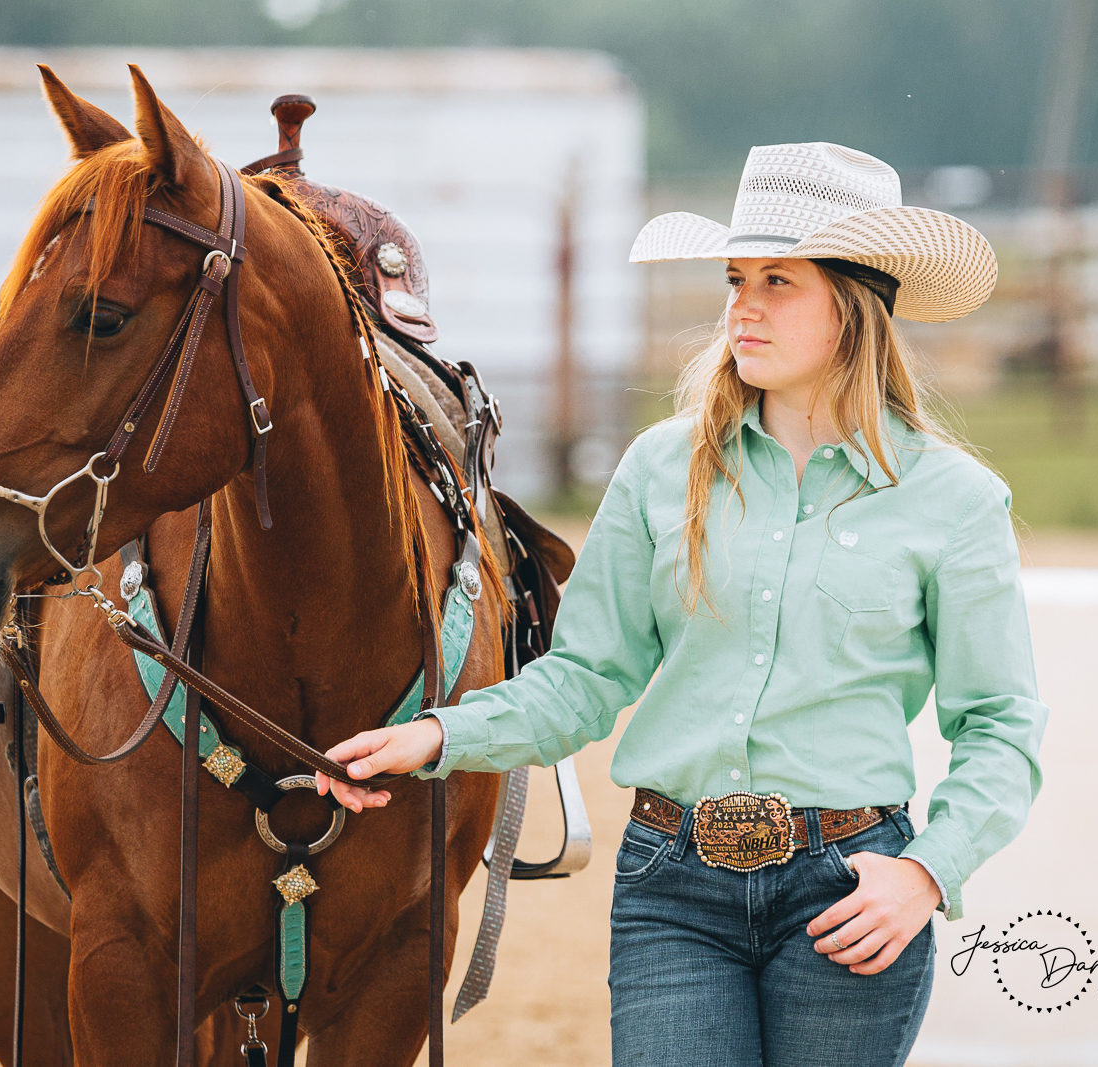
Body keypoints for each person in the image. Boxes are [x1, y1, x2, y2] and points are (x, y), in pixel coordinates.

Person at [316, 141, 1049, 1067]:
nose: (743, 304)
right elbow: (587, 678)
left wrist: (925, 873)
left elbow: (1001, 725)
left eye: (779, 280)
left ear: (856, 306)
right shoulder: (662, 470)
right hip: (673, 885)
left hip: (850, 890)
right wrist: (436, 736)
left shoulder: (954, 498)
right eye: (736, 277)